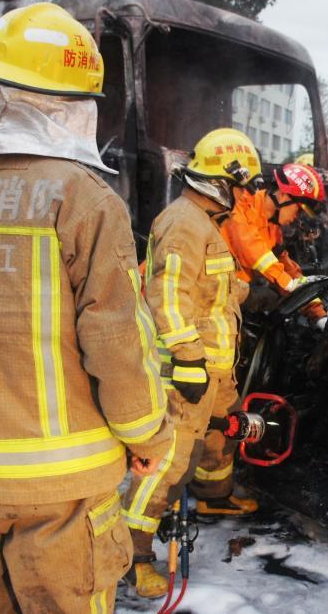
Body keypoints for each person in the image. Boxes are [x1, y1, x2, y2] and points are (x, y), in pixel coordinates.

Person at [0, 3, 172, 613]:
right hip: (62, 490)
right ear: (75, 107)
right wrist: (149, 437)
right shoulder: (85, 200)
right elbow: (117, 343)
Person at [121, 128, 259, 598]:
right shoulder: (184, 223)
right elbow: (168, 297)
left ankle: (217, 498)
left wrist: (245, 293)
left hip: (215, 368)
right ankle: (133, 557)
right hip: (189, 371)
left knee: (221, 433)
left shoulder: (205, 223)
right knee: (165, 464)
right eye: (242, 187)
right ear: (222, 183)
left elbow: (208, 289)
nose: (244, 197)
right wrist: (188, 362)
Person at [221, 162, 328, 328]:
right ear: (283, 196)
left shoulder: (274, 231)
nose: (297, 218)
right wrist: (289, 284)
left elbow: (289, 271)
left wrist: (318, 315)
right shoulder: (241, 207)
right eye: (299, 210)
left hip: (229, 305)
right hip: (209, 301)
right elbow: (251, 250)